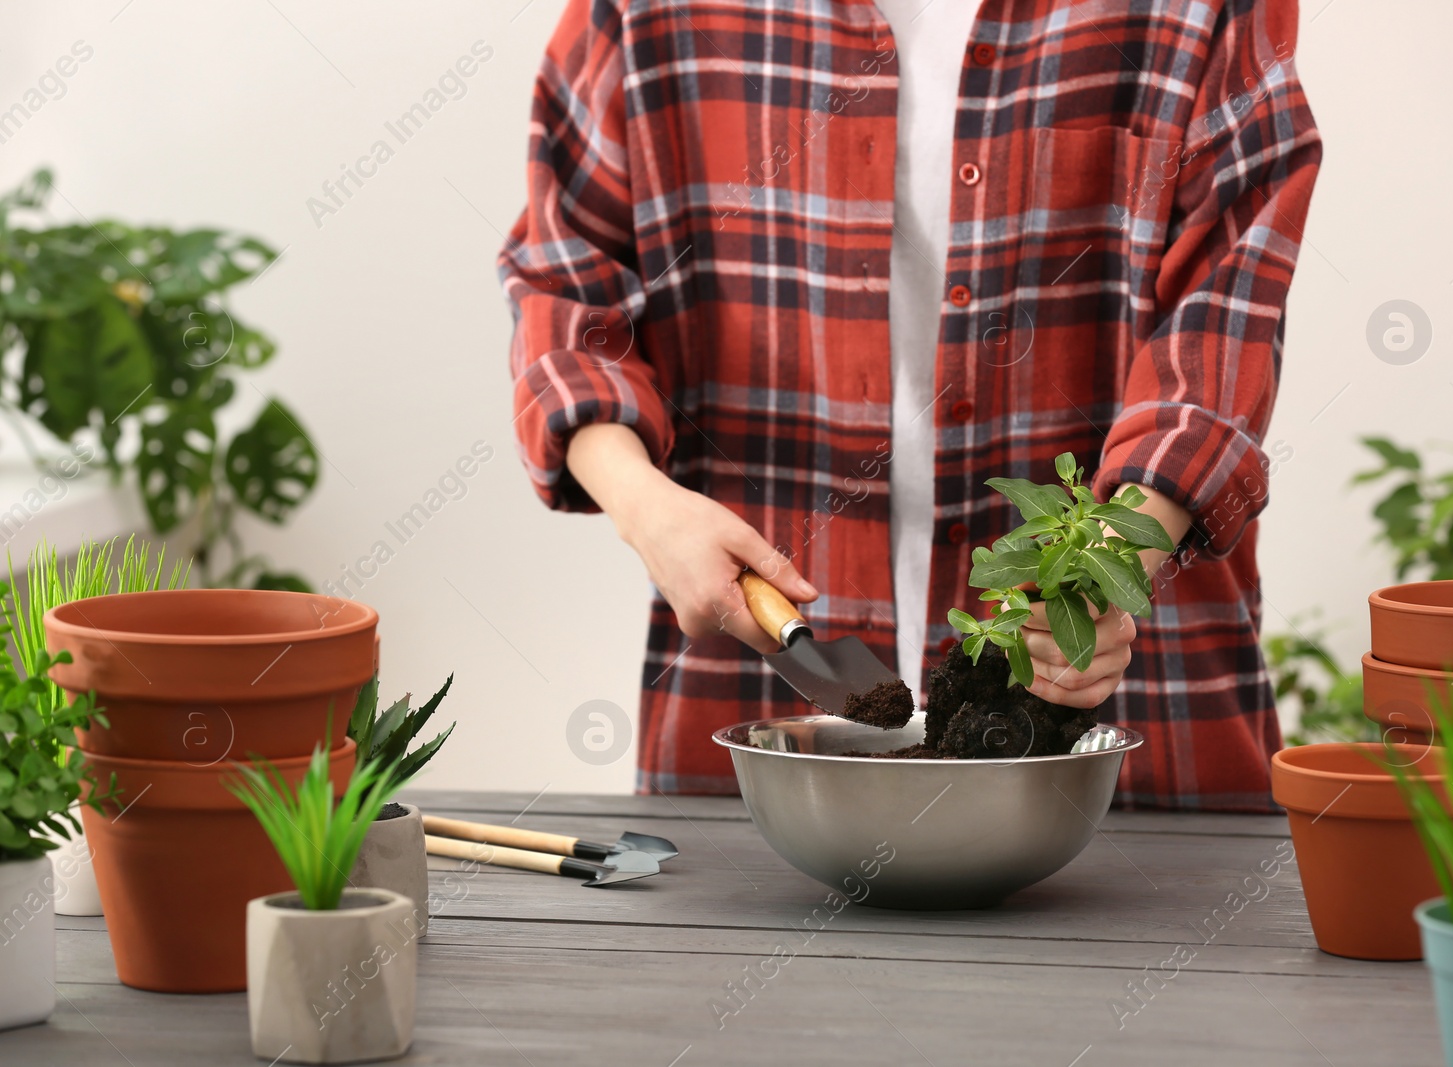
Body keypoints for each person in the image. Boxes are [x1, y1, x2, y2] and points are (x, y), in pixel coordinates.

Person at [499, 0, 1320, 810]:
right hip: (761, 733)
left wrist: (1104, 574)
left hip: (1135, 726)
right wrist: (647, 510)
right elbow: (564, 291)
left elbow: (1226, 314)